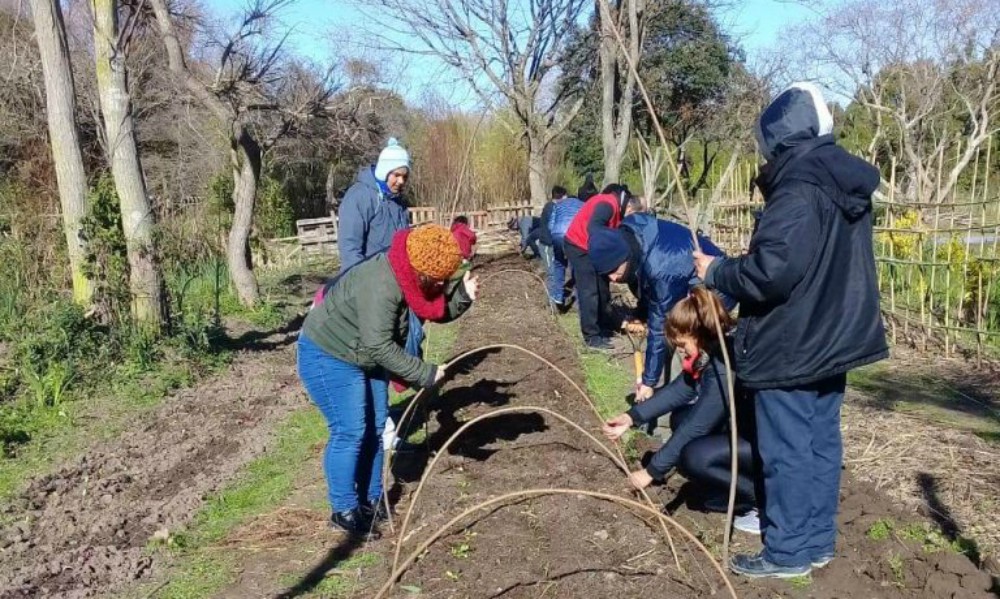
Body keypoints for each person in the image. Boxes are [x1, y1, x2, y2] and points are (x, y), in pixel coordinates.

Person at [694, 82, 888, 578]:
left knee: (786, 453)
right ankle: (815, 541)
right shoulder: (841, 182)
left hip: (793, 343)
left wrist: (716, 271)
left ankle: (787, 552)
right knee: (820, 445)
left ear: (776, 138)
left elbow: (771, 272)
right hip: (833, 338)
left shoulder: (798, 188)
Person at [299, 225, 479, 538]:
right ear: (420, 271)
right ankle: (344, 509)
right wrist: (425, 373)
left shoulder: (411, 276)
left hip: (364, 352)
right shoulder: (381, 282)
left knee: (377, 427)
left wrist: (462, 295)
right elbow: (378, 345)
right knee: (351, 430)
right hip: (330, 353)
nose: (440, 284)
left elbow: (433, 309)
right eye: (437, 279)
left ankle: (371, 500)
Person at [602, 288, 758, 532]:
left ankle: (758, 498)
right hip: (744, 428)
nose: (682, 350)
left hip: (763, 442)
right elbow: (682, 389)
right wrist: (631, 417)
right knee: (680, 417)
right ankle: (727, 487)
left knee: (693, 457)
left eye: (683, 344)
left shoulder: (725, 364)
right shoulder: (712, 350)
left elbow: (699, 424)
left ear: (698, 333)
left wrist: (651, 472)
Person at [588, 214, 730, 402]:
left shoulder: (660, 270)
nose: (613, 279)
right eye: (608, 274)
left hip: (715, 286)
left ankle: (687, 400)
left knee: (681, 339)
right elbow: (644, 282)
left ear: (626, 257)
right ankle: (664, 399)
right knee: (669, 337)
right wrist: (641, 312)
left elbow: (659, 325)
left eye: (615, 270)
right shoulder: (630, 234)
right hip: (680, 281)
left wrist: (648, 381)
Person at [563, 184, 643, 351]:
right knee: (589, 290)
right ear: (628, 206)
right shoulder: (607, 204)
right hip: (579, 246)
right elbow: (594, 228)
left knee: (603, 288)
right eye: (630, 215)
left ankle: (603, 324)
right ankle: (591, 336)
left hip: (593, 248)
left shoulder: (616, 207)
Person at [337, 137, 412, 273]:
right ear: (385, 171)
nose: (401, 181)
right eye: (396, 175)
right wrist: (359, 283)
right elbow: (350, 248)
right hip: (371, 281)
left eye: (405, 177)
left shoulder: (399, 202)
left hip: (396, 281)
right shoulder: (359, 197)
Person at [538, 186, 582, 310]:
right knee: (576, 266)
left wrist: (555, 237)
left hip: (557, 236)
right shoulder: (581, 205)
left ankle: (557, 296)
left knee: (558, 264)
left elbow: (551, 224)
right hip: (572, 235)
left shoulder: (558, 206)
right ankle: (579, 300)